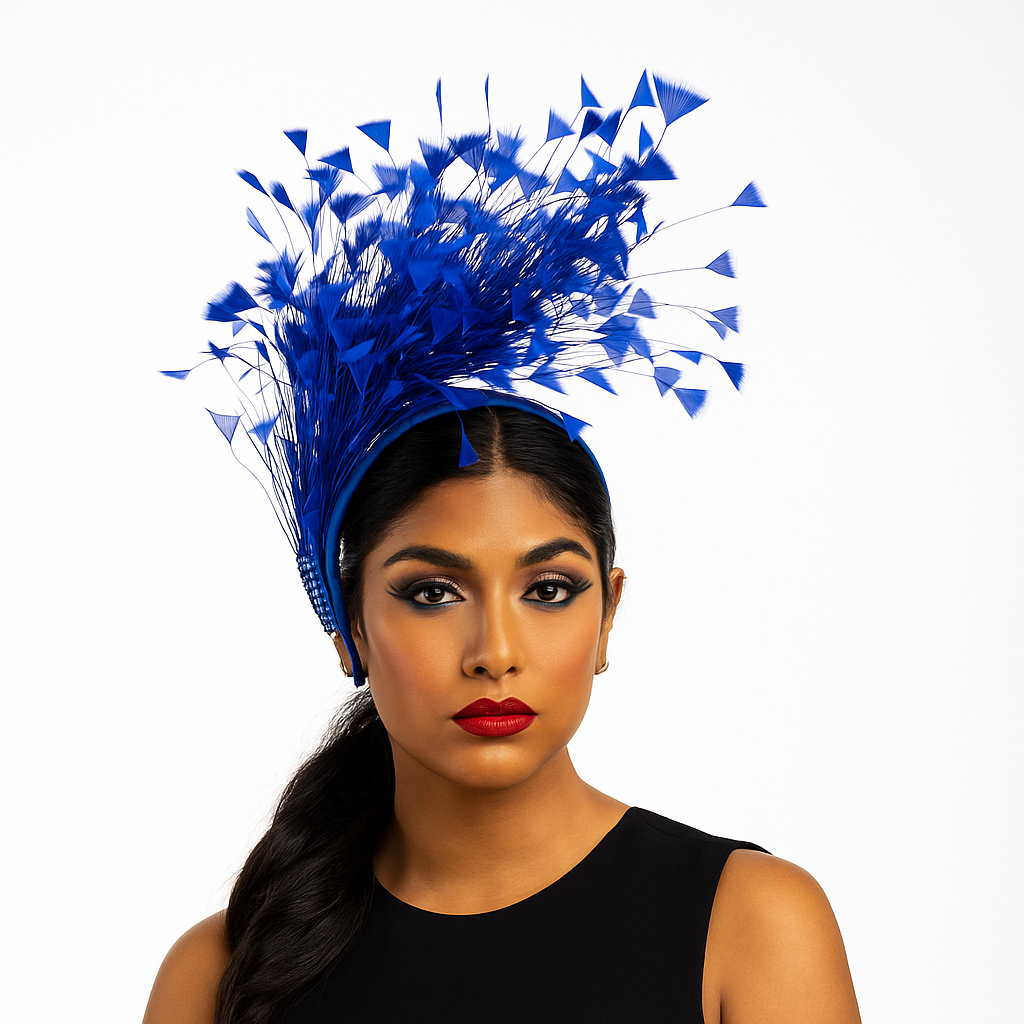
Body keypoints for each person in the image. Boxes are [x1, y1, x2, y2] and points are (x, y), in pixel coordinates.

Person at [144, 74, 861, 1024]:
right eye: (433, 592)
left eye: (550, 588)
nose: (495, 651)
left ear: (609, 614)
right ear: (347, 624)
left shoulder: (752, 925)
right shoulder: (217, 973)